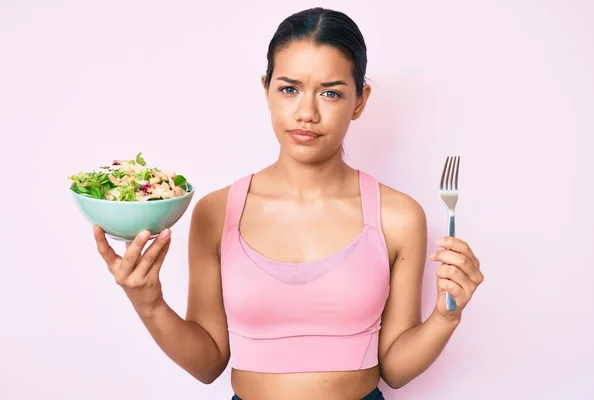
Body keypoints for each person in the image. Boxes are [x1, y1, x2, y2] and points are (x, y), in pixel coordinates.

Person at [93, 7, 484, 400]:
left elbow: (395, 369)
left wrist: (445, 316)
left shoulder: (397, 216)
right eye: (289, 89)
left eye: (331, 92)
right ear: (266, 89)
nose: (307, 113)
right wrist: (148, 303)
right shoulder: (217, 211)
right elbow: (208, 363)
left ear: (360, 100)